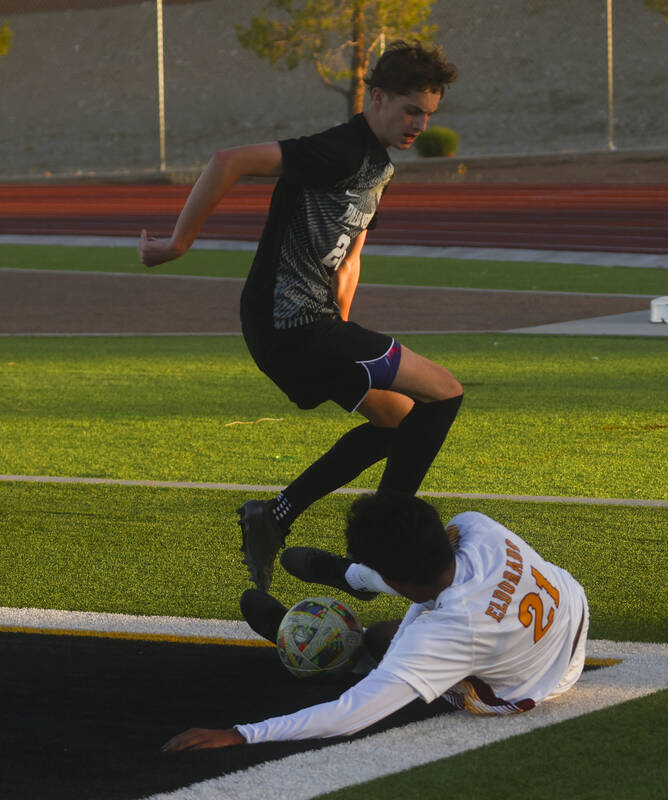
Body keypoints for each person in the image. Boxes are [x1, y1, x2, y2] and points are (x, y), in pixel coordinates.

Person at [138, 42, 464, 594]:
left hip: (317, 327)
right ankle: (389, 546)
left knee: (398, 419)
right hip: (289, 324)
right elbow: (229, 161)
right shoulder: (339, 150)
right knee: (445, 393)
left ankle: (276, 515)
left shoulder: (379, 165)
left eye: (428, 114)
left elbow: (350, 254)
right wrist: (177, 242)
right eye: (411, 109)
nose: (420, 123)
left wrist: (345, 328)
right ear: (377, 97)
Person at [161, 493, 589, 751]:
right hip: (570, 610)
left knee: (389, 643)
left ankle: (323, 647)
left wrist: (242, 734)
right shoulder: (478, 528)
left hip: (533, 685)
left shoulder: (447, 630)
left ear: (398, 581)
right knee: (411, 628)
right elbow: (427, 580)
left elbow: (350, 714)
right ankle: (353, 578)